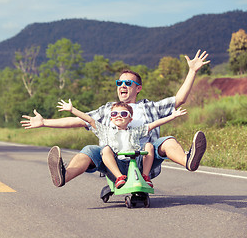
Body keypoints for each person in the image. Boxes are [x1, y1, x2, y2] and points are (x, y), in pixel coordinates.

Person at [21, 49, 209, 188]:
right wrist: (44, 122)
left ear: (138, 88)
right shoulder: (109, 110)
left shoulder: (149, 107)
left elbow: (179, 99)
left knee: (167, 141)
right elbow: (80, 120)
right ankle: (63, 175)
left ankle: (188, 161)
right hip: (114, 163)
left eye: (128, 82)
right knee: (90, 149)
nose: (122, 85)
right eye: (120, 82)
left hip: (145, 161)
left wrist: (192, 71)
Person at [57, 99, 187, 188]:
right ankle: (119, 178)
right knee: (106, 149)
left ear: (130, 119)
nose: (118, 116)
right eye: (114, 114)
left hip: (136, 164)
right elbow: (89, 120)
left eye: (123, 114)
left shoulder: (136, 131)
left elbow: (154, 124)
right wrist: (72, 109)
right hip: (116, 166)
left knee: (149, 145)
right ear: (111, 118)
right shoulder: (105, 131)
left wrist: (172, 116)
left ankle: (145, 177)